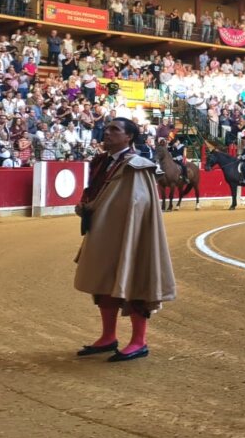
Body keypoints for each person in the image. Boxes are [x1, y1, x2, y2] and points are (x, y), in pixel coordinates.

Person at [73, 118, 180, 362]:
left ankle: (139, 341)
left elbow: (139, 204)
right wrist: (86, 205)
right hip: (103, 231)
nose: (107, 133)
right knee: (104, 280)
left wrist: (106, 212)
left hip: (130, 232)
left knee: (135, 278)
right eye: (107, 128)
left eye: (115, 130)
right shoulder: (101, 161)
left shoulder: (137, 165)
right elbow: (96, 191)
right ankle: (108, 337)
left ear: (129, 137)